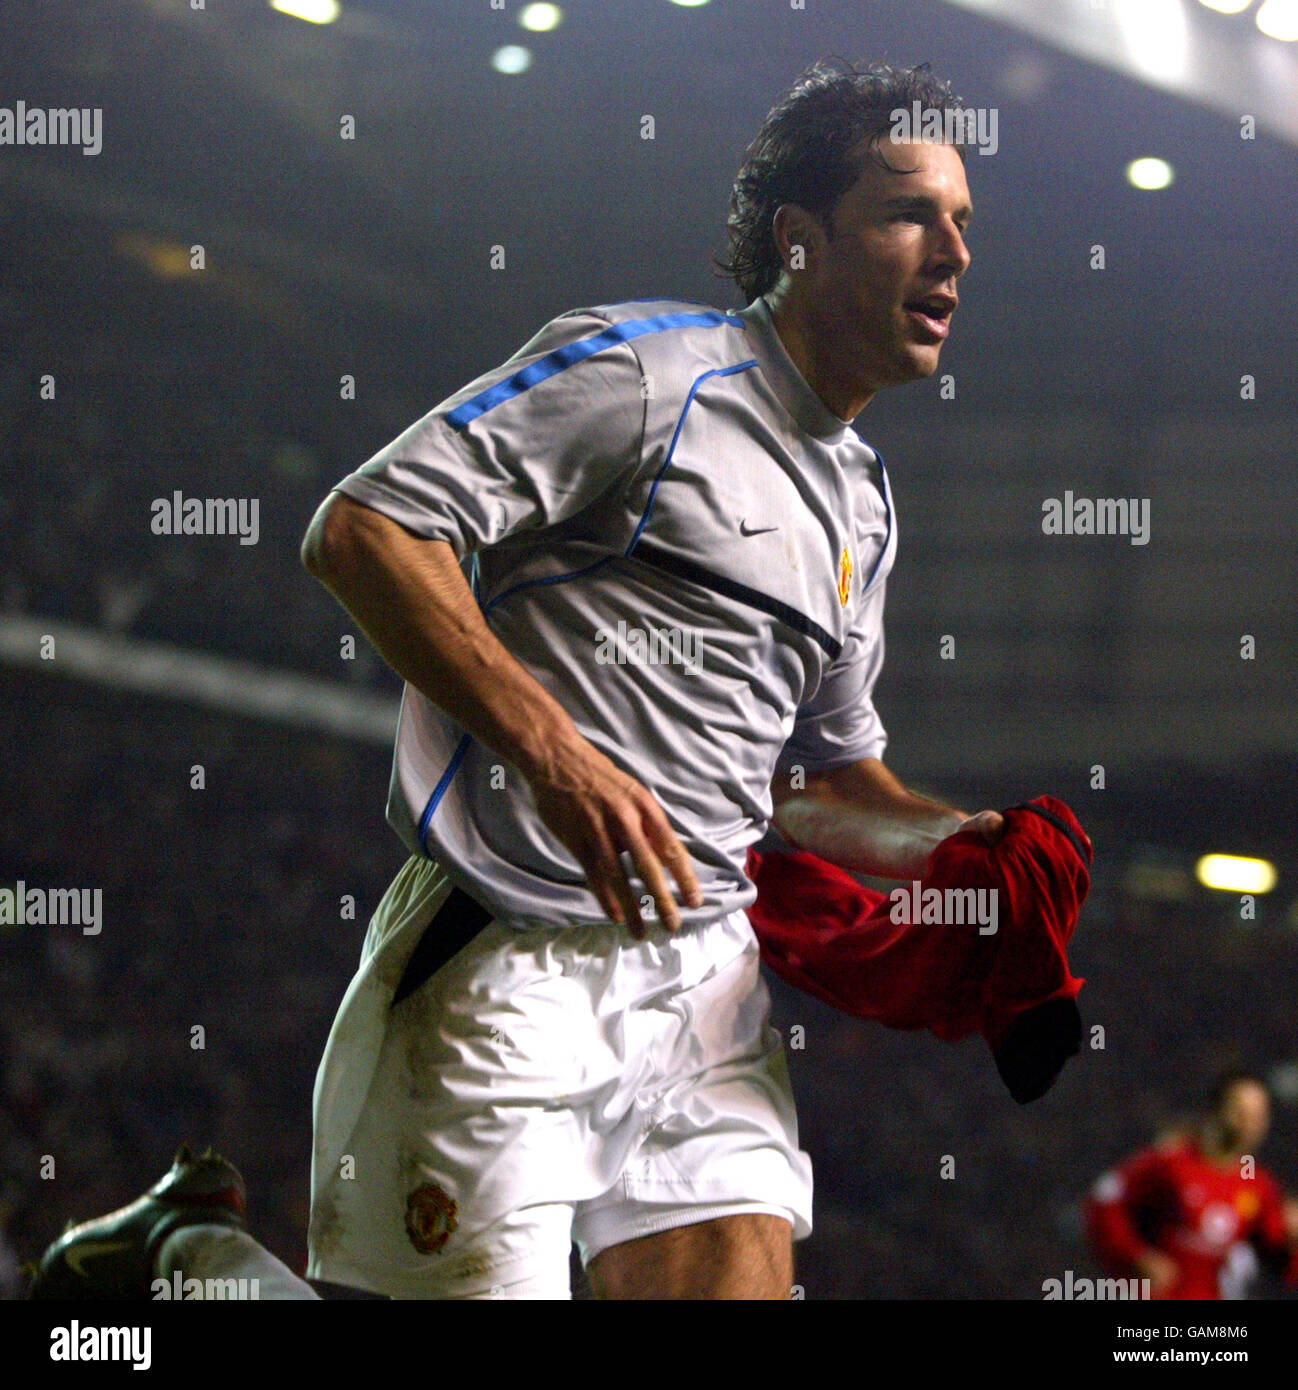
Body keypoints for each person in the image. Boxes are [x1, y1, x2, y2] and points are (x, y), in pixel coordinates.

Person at [34, 58, 1008, 1301]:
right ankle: (189, 1261)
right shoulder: (647, 374)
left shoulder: (863, 502)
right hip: (507, 960)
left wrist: (955, 847)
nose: (951, 252)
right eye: (908, 212)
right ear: (801, 240)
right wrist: (556, 751)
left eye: (963, 223)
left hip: (702, 987)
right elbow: (367, 528)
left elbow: (813, 777)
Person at [1087, 1070, 1298, 1300]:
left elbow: (1279, 1255)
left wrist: (1293, 1240)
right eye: (1240, 1112)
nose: (1249, 1124)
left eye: (1257, 1116)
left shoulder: (1258, 1186)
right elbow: (1105, 1203)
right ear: (1216, 1111)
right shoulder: (1170, 1163)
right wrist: (1137, 1255)